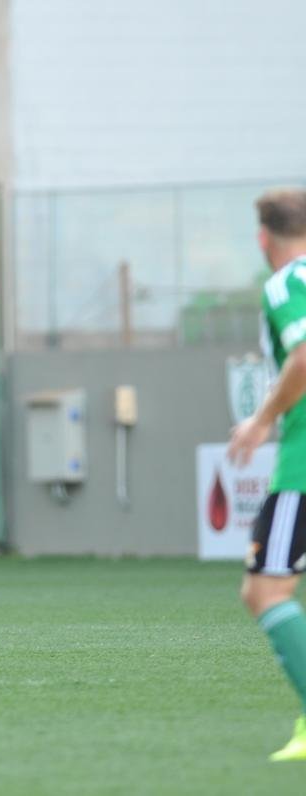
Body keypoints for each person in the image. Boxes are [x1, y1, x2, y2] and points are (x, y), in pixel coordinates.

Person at [229, 188, 306, 761]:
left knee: (266, 589)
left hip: (302, 463)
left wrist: (259, 422)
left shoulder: (287, 283)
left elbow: (303, 357)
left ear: (262, 238)